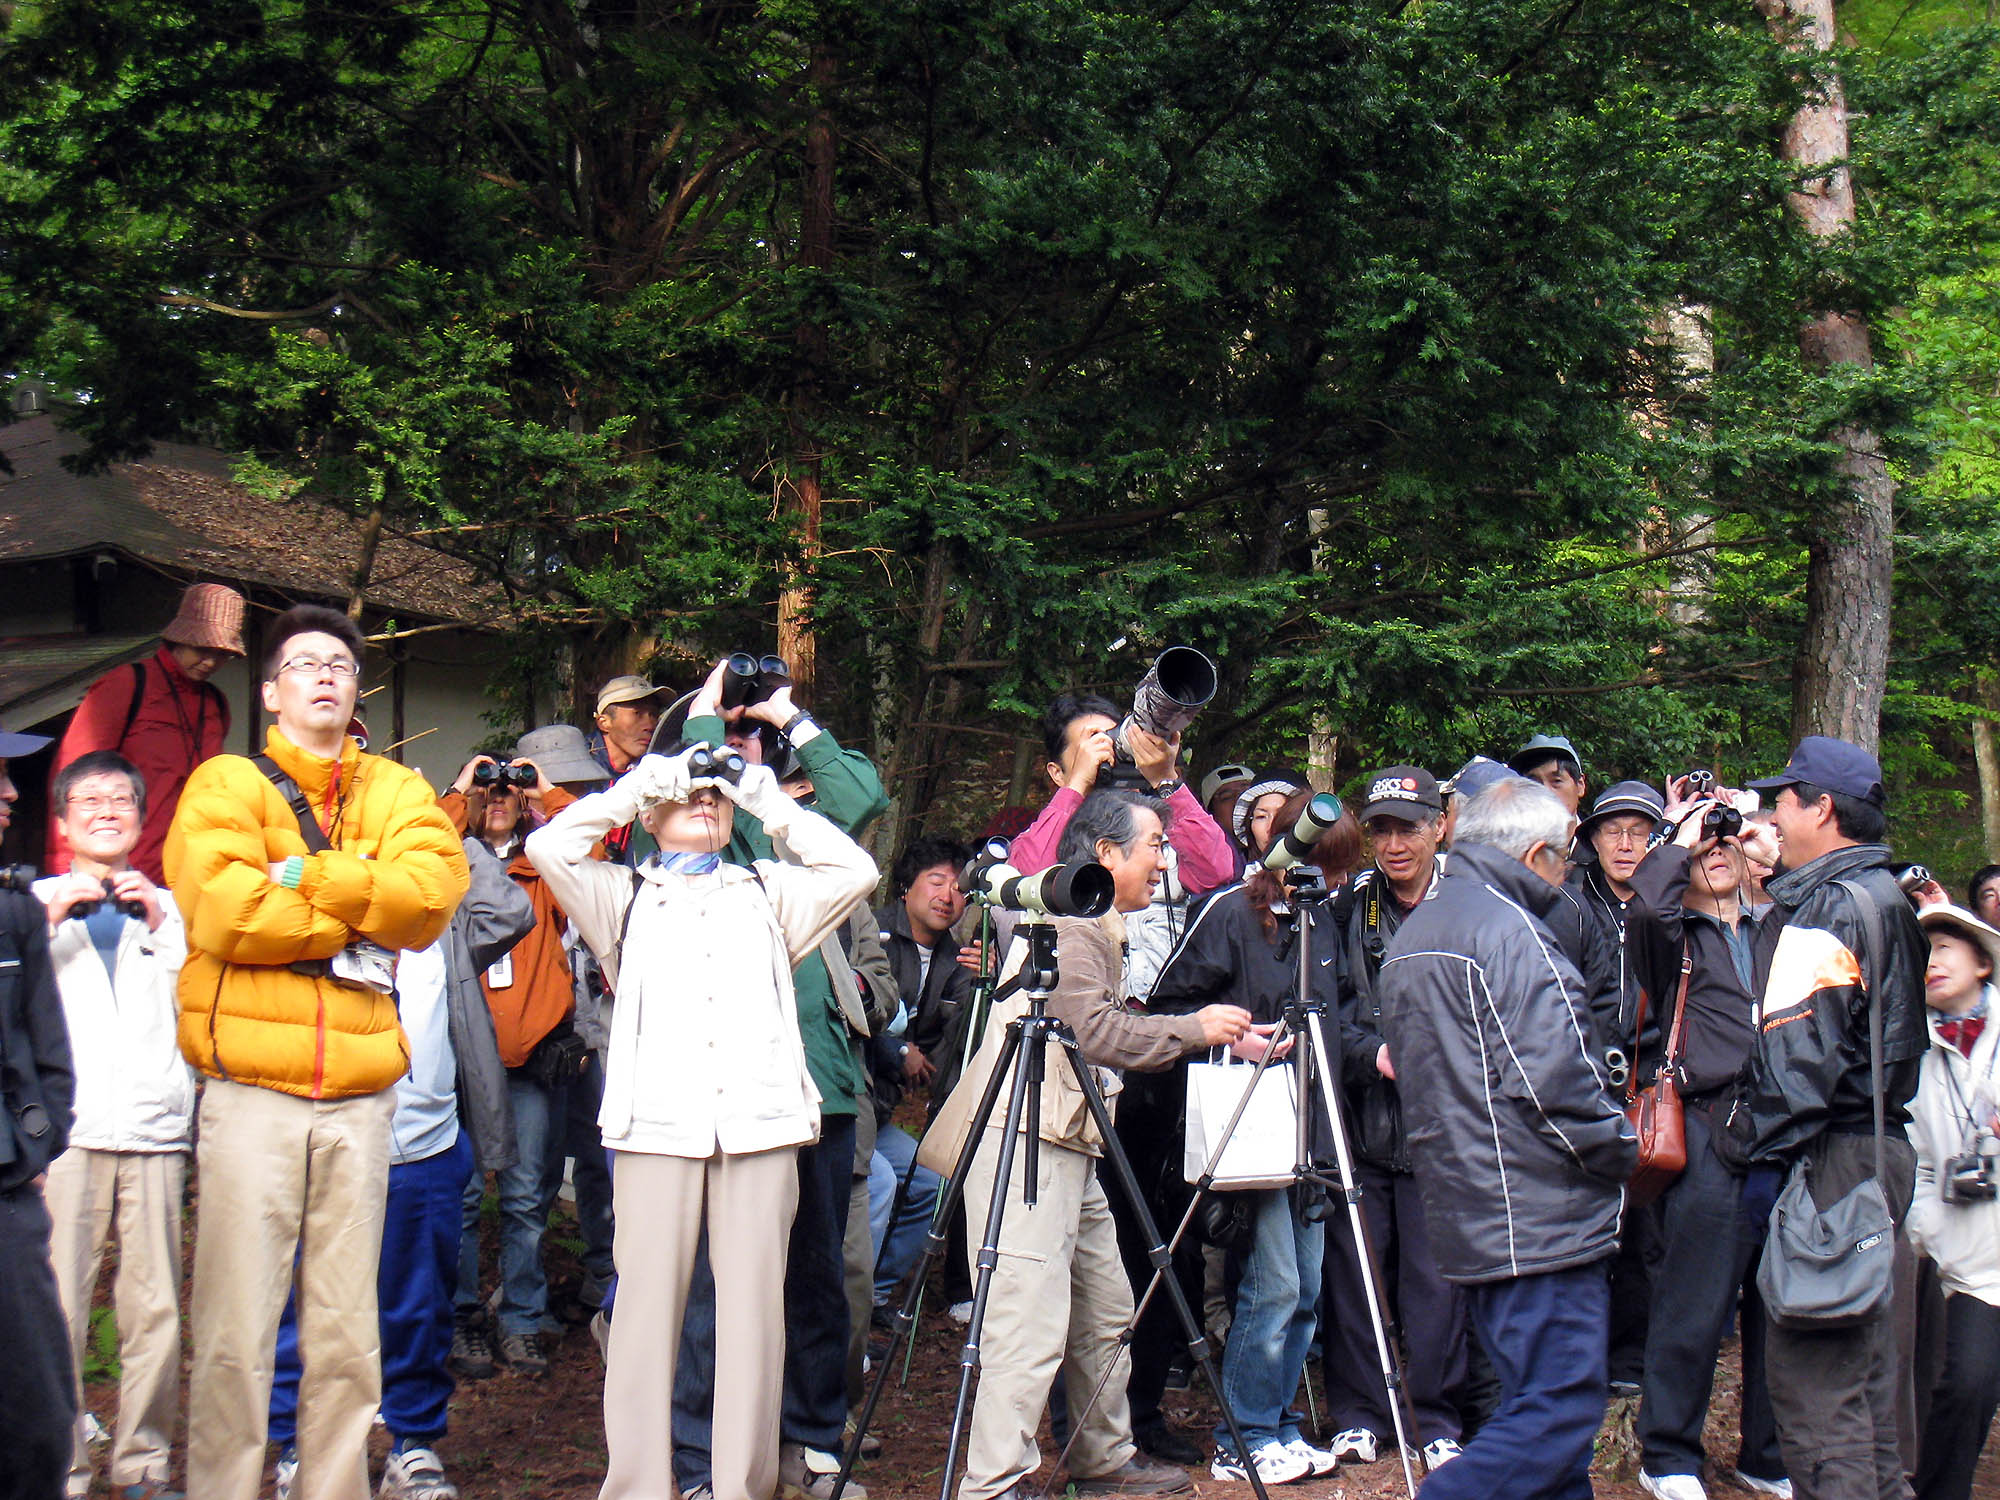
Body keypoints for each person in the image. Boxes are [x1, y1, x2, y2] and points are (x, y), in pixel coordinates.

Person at [164, 602, 470, 1500]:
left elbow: (429, 900)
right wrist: (362, 915)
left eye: (339, 663)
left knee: (345, 1326)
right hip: (253, 1088)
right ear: (270, 691)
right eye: (303, 663)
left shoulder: (398, 790)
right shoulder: (225, 784)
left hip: (361, 1095)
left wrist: (307, 874)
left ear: (357, 688)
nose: (325, 675)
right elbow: (225, 913)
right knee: (237, 1319)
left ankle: (332, 1487)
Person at [526, 740, 878, 1500]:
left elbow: (855, 871)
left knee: (754, 1319)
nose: (703, 799)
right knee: (646, 1315)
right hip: (656, 1129)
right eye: (687, 796)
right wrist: (645, 782)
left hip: (761, 1129)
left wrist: (759, 792)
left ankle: (739, 1485)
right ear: (651, 818)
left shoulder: (768, 891)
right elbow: (548, 846)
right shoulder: (621, 895)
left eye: (712, 794)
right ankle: (640, 1486)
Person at [939, 789, 1254, 1500]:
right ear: (1107, 853)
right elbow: (1096, 1033)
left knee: (1105, 1309)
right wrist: (1196, 1029)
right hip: (1028, 1141)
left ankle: (1103, 1459)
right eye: (1154, 846)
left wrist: (1216, 1033)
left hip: (1067, 1137)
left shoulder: (1096, 922)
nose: (1164, 862)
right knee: (1025, 1321)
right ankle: (994, 1483)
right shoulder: (1075, 926)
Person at [665, 658, 891, 1500]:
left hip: (818, 1083)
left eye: (747, 739)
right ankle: (701, 1459)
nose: (737, 750)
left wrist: (786, 714)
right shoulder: (686, 835)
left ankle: (811, 1441)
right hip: (726, 1094)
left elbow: (862, 797)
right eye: (724, 741)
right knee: (711, 1287)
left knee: (816, 1279)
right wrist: (706, 718)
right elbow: (697, 800)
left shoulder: (795, 836)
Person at [1378, 777, 1636, 1500]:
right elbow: (1557, 1084)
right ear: (1534, 855)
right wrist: (1621, 1151)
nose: (1568, 872)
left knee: (1542, 1422)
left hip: (1470, 1209)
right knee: (1558, 1412)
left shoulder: (1416, 933)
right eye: (1564, 857)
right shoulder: (1511, 934)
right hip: (1538, 1212)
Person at [269, 833, 535, 1500]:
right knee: (305, 1308)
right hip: (320, 1147)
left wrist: (451, 830)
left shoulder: (439, 922)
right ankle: (300, 1447)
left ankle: (411, 1445)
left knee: (418, 1308)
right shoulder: (304, 903)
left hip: (422, 1150)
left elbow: (511, 911)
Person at [1733, 737, 1928, 1500]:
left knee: (1818, 1398)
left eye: (1783, 800)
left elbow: (1797, 1069)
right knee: (1867, 1389)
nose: (1770, 816)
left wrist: (1747, 1153)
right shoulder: (1880, 895)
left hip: (1832, 1165)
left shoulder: (1830, 910)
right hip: (1880, 1153)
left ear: (1821, 809)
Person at [1150, 785, 1360, 1485]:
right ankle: (1242, 1434)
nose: (1328, 881)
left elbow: (1338, 1019)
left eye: (1338, 871)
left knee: (1306, 1288)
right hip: (1253, 1122)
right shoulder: (1231, 910)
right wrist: (1233, 1036)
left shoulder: (1321, 919)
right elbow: (1169, 1006)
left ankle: (1278, 1422)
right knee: (1272, 1284)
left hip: (1315, 1128)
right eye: (1319, 866)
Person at [1623, 783, 1789, 1500]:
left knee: (1781, 1306)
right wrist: (1680, 833)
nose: (1716, 853)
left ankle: (1768, 1455)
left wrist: (1765, 842)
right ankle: (1667, 1455)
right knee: (1693, 1303)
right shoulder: (1673, 939)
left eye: (1728, 843)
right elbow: (1646, 907)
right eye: (1703, 851)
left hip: (1786, 1132)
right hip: (1708, 1127)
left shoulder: (1784, 925)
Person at [35, 751, 191, 1500]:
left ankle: (144, 1467)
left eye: (120, 800)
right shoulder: (27, 906)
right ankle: (59, 1469)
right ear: (63, 823)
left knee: (155, 1309)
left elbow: (198, 1004)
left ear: (140, 818)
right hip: (63, 1135)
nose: (105, 811)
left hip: (154, 1128)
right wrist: (43, 926)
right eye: (88, 801)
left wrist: (160, 925)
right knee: (56, 1309)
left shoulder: (172, 908)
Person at [1324, 765, 1468, 1470]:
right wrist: (1373, 1054)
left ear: (1439, 827)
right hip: (1365, 1123)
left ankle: (1435, 1418)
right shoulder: (1350, 909)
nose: (1394, 844)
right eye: (1380, 830)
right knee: (1358, 1275)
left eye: (1408, 828)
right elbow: (1324, 1009)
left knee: (1438, 1284)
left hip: (1449, 1131)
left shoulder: (1471, 904)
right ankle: (1357, 1414)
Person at [441, 740, 598, 1380]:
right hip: (464, 1058)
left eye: (508, 790)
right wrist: (459, 790)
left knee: (528, 1196)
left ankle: (522, 1319)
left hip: (532, 1059)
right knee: (461, 1194)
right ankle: (461, 1316)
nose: (498, 798)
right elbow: (418, 838)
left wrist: (545, 793)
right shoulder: (446, 867)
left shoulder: (544, 871)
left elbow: (594, 851)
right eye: (489, 790)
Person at [0, 724, 79, 1500]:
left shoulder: (15, 912)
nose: (10, 793)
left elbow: (46, 1049)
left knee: (38, 1422)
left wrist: (36, 1142)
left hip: (6, 1198)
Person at [47, 581, 245, 883]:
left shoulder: (216, 704)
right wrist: (67, 874)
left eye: (222, 654)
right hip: (116, 874)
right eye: (202, 648)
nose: (210, 661)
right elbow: (72, 780)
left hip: (190, 877)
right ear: (179, 639)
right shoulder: (127, 684)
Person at [1573, 779, 1667, 1398]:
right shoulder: (1573, 902)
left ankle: (1632, 1356)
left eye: (1639, 833)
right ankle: (1582, 1354)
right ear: (1595, 839)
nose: (1626, 844)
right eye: (1614, 831)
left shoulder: (1672, 907)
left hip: (1654, 1082)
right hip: (1585, 1079)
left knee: (1645, 1224)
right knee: (1582, 1223)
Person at [1904, 904, 2000, 1500]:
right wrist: (1931, 1233)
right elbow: (1915, 1159)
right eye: (1924, 954)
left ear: (1983, 963)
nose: (1932, 964)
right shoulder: (1916, 1050)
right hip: (1974, 1260)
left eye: (1944, 949)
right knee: (1966, 1384)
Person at [869, 836, 974, 1314]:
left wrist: (985, 983)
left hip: (881, 1109)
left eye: (958, 887)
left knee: (930, 1184)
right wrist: (897, 1051)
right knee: (877, 1185)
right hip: (849, 1103)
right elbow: (852, 1011)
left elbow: (952, 1046)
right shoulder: (872, 934)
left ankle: (876, 1293)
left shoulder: (957, 958)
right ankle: (849, 1301)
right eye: (936, 882)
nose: (947, 896)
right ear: (906, 886)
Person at [1005, 693, 1237, 895]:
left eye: (1112, 740)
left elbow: (1217, 872)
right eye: (1092, 743)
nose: (1107, 754)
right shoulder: (1042, 836)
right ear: (1057, 773)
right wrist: (1078, 783)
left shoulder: (1164, 827)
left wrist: (1166, 780)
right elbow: (1029, 883)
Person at [1506, 733, 1588, 816]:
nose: (1545, 792)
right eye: (1534, 784)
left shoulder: (1595, 823)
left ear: (1580, 785)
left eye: (1556, 781)